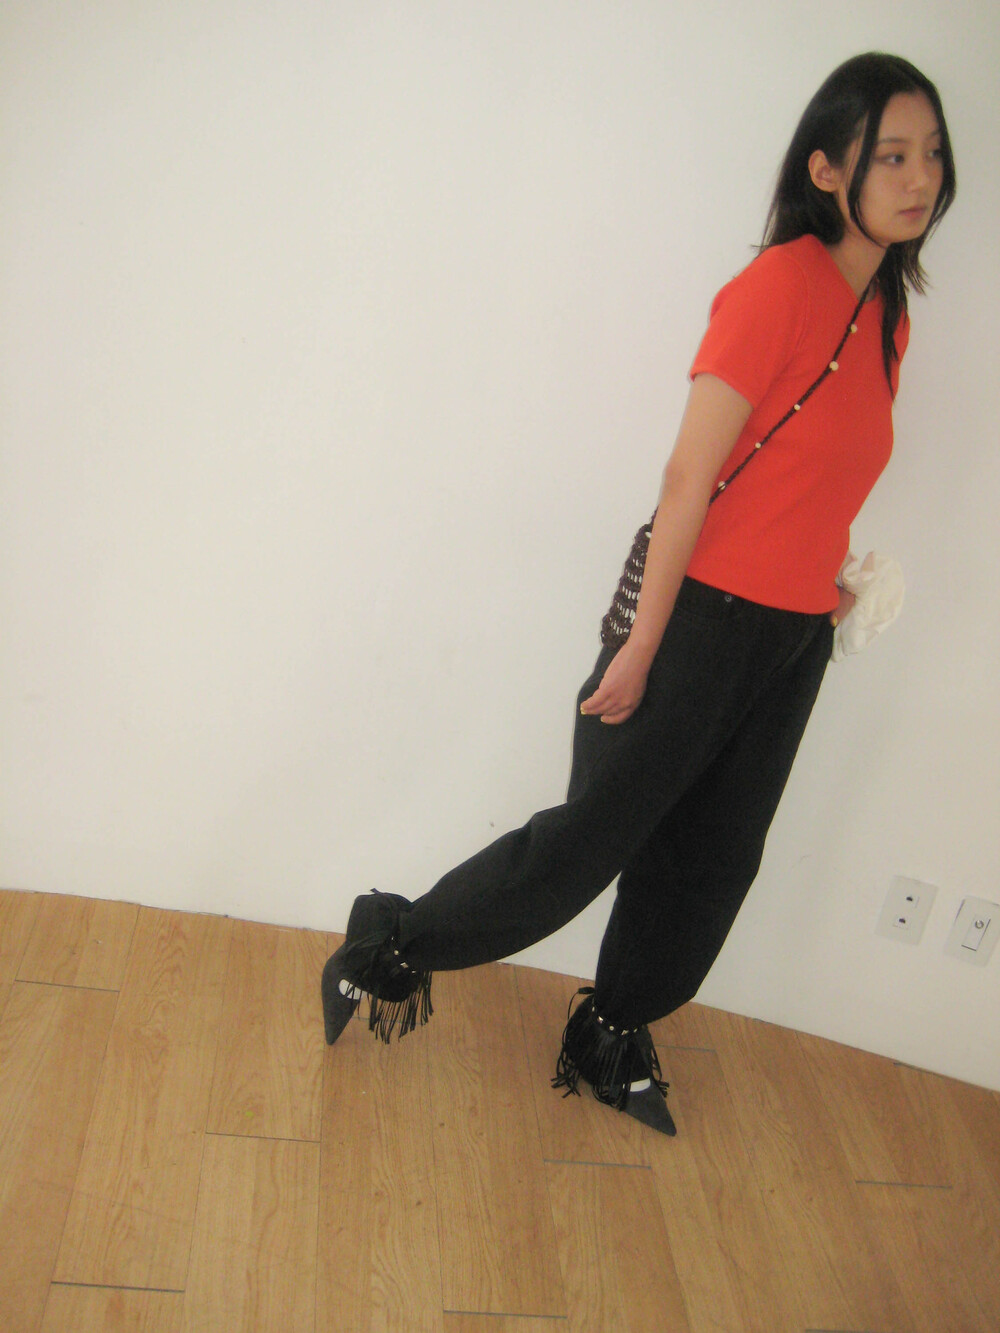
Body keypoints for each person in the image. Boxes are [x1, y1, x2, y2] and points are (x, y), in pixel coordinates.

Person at [322, 52, 956, 1136]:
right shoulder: (778, 287)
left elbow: (816, 472)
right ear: (825, 169)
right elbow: (687, 478)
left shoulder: (887, 314)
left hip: (790, 638)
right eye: (890, 155)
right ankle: (388, 942)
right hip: (697, 616)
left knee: (714, 861)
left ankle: (610, 1030)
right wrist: (642, 643)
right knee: (586, 845)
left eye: (932, 154)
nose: (920, 178)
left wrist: (829, 593)